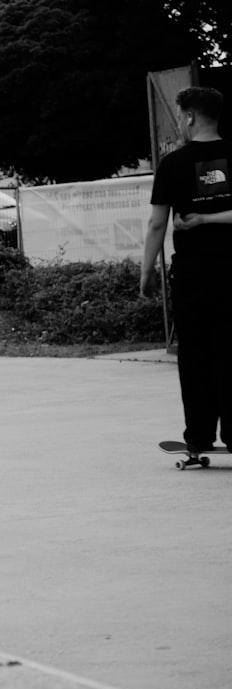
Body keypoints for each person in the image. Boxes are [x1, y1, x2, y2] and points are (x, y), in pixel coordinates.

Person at [140, 86, 232, 453]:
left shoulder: (173, 164)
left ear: (190, 116)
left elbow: (157, 225)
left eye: (180, 116)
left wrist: (147, 272)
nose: (179, 122)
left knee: (195, 355)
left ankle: (198, 435)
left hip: (193, 276)